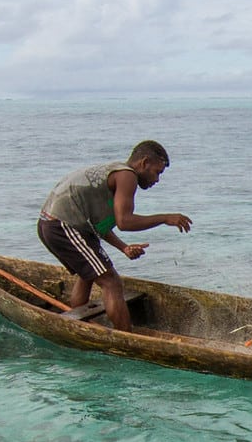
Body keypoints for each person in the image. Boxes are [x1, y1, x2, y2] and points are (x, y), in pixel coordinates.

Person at [36, 140, 192, 331]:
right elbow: (124, 222)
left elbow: (99, 226)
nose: (157, 180)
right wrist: (165, 218)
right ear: (144, 163)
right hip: (62, 225)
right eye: (157, 172)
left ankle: (80, 326)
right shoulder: (127, 176)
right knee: (111, 282)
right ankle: (127, 338)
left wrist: (123, 247)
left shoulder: (115, 174)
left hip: (59, 224)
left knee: (89, 273)